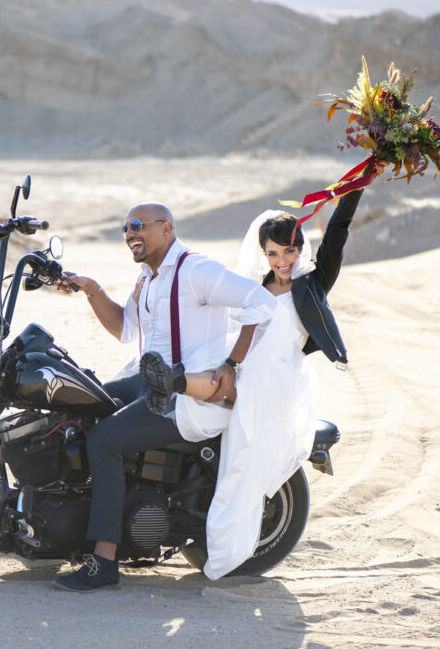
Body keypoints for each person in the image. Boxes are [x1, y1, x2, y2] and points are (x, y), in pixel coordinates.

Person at [138, 178, 374, 578]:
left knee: (234, 405)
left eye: (290, 251)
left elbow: (338, 231)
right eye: (273, 253)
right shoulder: (257, 285)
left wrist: (362, 179)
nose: (283, 261)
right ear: (263, 253)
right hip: (247, 366)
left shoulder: (312, 284)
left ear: (301, 249)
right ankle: (174, 383)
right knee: (220, 376)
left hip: (278, 379)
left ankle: (174, 383)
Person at [51, 202, 278, 591]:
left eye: (137, 226)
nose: (129, 234)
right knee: (79, 402)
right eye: (125, 228)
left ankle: (104, 561)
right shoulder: (149, 279)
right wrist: (91, 288)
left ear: (167, 228)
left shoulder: (196, 270)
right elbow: (125, 328)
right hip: (147, 382)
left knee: (104, 441)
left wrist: (231, 364)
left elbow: (261, 302)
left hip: (183, 394)